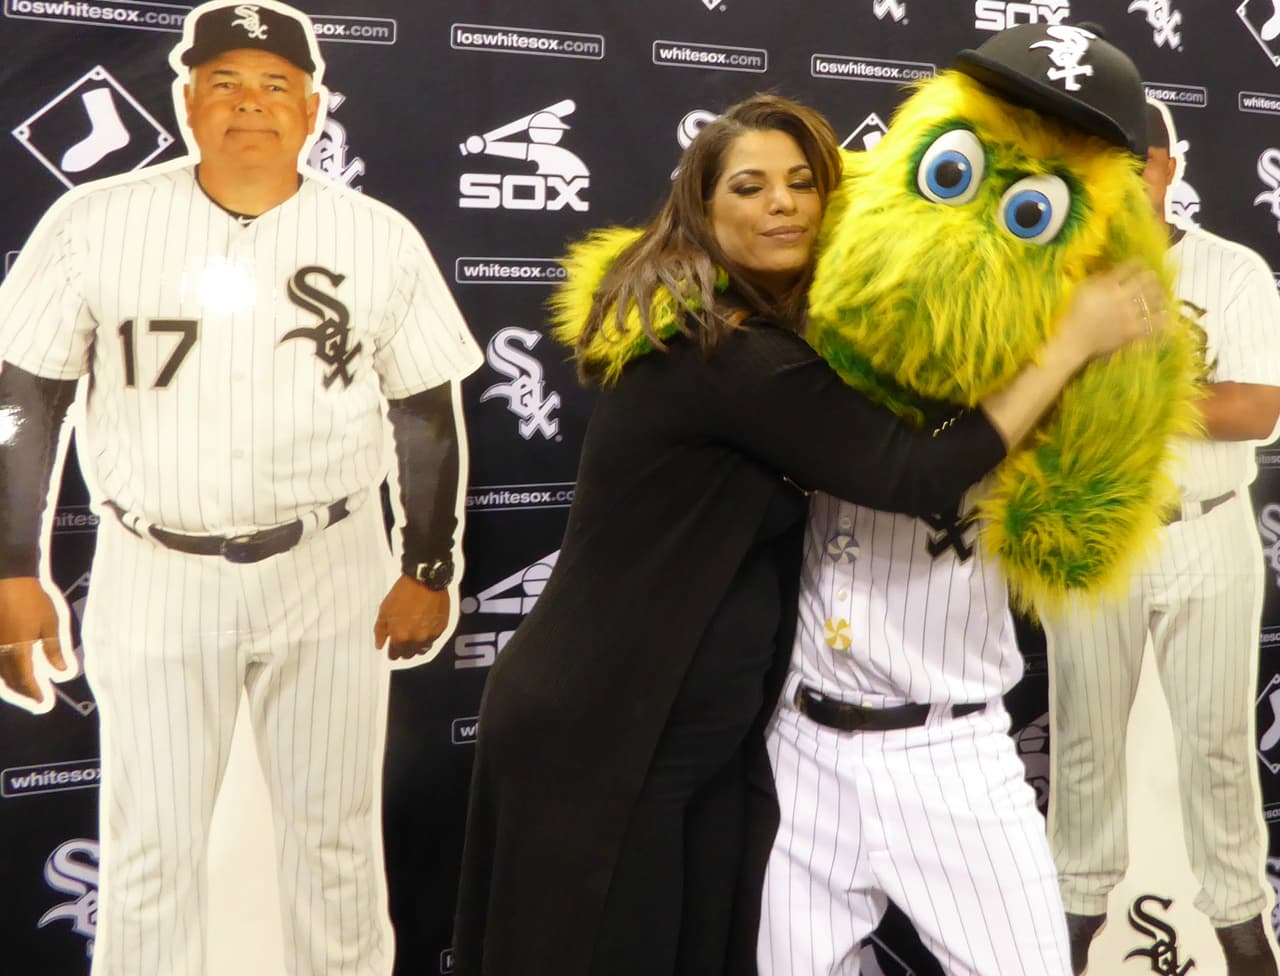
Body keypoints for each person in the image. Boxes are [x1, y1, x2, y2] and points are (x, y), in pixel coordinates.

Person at [452, 91, 1166, 976]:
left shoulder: (762, 333)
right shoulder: (726, 350)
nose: (782, 204)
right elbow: (912, 473)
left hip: (693, 737)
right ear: (701, 207)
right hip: (607, 730)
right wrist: (1069, 342)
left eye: (801, 183)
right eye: (749, 187)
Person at [0, 2, 481, 973]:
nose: (248, 103)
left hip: (330, 565)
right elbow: (25, 403)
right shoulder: (93, 224)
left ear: (312, 108)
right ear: (186, 102)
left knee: (334, 843)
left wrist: (428, 562)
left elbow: (424, 412)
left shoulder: (376, 236)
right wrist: (15, 566)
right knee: (149, 849)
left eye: (273, 85)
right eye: (224, 82)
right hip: (154, 568)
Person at [755, 25, 1176, 976]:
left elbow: (1074, 526)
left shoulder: (1059, 370)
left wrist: (1085, 339)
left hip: (949, 752)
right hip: (801, 738)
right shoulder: (827, 290)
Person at [1043, 99, 1280, 976]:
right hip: (1096, 524)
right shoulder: (1053, 273)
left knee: (1218, 745)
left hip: (1206, 526)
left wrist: (1111, 384)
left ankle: (1240, 924)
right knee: (1083, 744)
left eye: (1137, 160)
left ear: (1167, 169)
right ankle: (1071, 919)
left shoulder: (1231, 268)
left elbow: (1253, 409)